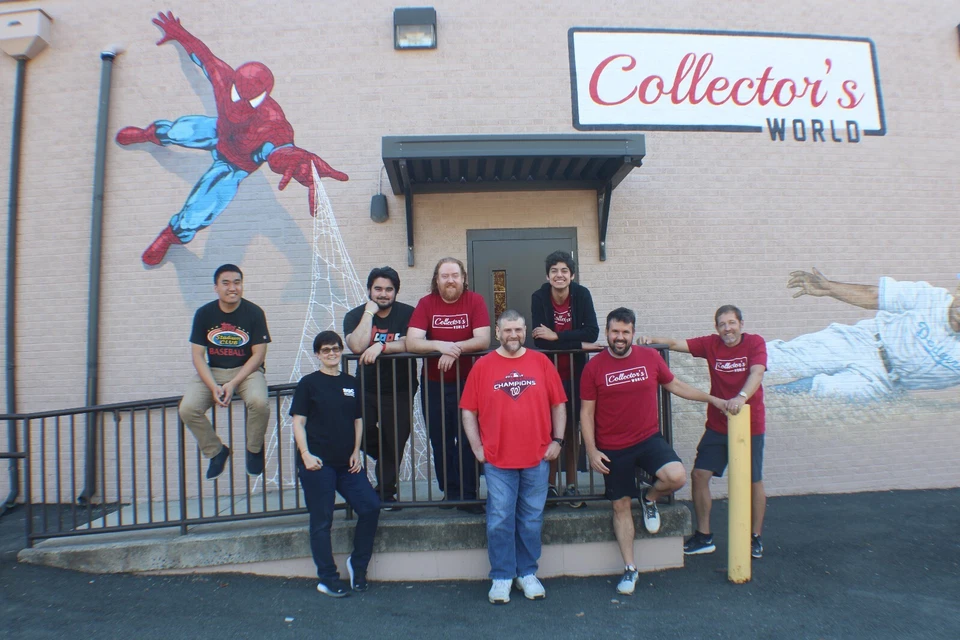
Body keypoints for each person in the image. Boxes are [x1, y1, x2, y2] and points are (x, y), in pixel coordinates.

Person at [116, 11, 348, 266]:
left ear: (264, 96)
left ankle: (170, 236)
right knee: (180, 130)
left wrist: (300, 166)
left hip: (236, 164)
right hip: (220, 131)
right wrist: (179, 33)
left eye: (253, 100)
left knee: (199, 210)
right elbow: (202, 56)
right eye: (240, 96)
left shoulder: (273, 121)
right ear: (233, 84)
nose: (244, 105)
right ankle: (148, 134)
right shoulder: (223, 78)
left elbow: (280, 151)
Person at [583, 307, 725, 596]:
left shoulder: (650, 358)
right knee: (620, 506)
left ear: (633, 333)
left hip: (648, 439)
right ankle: (630, 568)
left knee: (677, 477)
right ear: (607, 333)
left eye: (625, 332)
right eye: (614, 331)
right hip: (613, 446)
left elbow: (675, 385)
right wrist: (592, 450)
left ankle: (649, 499)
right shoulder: (594, 367)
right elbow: (586, 413)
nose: (619, 337)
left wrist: (712, 399)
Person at [640, 304, 768, 560]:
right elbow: (677, 344)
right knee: (699, 475)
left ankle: (754, 537)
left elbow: (757, 372)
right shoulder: (711, 345)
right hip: (718, 426)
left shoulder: (754, 343)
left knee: (752, 481)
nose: (727, 328)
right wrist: (653, 340)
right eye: (722, 324)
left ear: (741, 324)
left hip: (749, 426)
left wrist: (741, 397)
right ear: (716, 328)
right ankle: (704, 536)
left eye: (731, 323)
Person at [460, 310, 567, 604]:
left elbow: (559, 403)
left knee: (531, 520)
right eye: (507, 330)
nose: (513, 336)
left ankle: (527, 573)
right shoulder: (482, 366)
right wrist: (476, 446)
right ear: (497, 332)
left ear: (525, 331)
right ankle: (502, 576)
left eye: (518, 330)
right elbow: (468, 409)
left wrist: (558, 440)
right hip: (497, 458)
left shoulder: (541, 362)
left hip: (537, 457)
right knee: (499, 519)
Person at [765, 268, 960, 401]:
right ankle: (735, 368)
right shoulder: (930, 297)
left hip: (881, 382)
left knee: (813, 392)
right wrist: (830, 288)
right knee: (781, 360)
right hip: (863, 342)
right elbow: (874, 296)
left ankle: (751, 407)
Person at [290, 331, 381, 597]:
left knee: (371, 507)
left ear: (341, 351)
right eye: (326, 350)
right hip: (318, 464)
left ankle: (358, 565)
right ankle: (327, 578)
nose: (332, 353)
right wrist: (305, 454)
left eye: (336, 349)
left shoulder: (351, 383)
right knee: (322, 520)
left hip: (346, 463)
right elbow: (298, 421)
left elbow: (358, 420)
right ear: (317, 354)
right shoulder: (308, 384)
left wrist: (356, 451)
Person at [406, 258, 491, 512]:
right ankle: (451, 493)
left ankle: (469, 493)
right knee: (440, 439)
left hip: (470, 384)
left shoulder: (475, 301)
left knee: (468, 438)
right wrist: (439, 345)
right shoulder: (426, 303)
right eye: (445, 276)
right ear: (436, 280)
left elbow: (483, 339)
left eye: (455, 275)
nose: (450, 280)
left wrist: (454, 350)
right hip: (435, 384)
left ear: (464, 278)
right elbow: (412, 342)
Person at [179, 264, 271, 480]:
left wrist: (232, 383)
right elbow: (197, 356)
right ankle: (217, 451)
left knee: (259, 402)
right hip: (214, 371)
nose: (233, 288)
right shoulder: (204, 314)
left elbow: (258, 355)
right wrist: (213, 387)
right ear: (216, 288)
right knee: (187, 408)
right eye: (226, 283)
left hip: (247, 371)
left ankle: (254, 450)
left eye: (237, 282)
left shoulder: (255, 312)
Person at [343, 266, 417, 510]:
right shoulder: (356, 316)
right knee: (358, 434)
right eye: (378, 289)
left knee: (396, 440)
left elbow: (413, 342)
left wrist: (382, 347)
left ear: (396, 291)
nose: (383, 294)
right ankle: (382, 457)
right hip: (365, 387)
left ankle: (385, 494)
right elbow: (356, 345)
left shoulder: (408, 313)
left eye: (388, 289)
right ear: (369, 290)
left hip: (401, 388)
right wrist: (369, 314)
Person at [530, 250, 599, 508]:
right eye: (554, 271)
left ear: (572, 275)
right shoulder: (540, 297)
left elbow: (592, 332)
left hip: (577, 374)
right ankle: (549, 486)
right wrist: (575, 341)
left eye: (564, 271)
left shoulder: (582, 295)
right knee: (549, 430)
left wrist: (558, 336)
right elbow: (538, 338)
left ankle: (571, 485)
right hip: (549, 375)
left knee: (571, 430)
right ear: (548, 276)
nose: (559, 275)